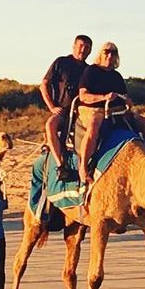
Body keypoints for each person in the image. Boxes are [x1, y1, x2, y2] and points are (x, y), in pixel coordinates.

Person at [77, 43, 145, 186]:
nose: (109, 56)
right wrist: (104, 97)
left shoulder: (116, 76)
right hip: (93, 109)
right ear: (101, 54)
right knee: (94, 126)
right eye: (106, 52)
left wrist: (127, 101)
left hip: (116, 111)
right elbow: (83, 96)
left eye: (113, 53)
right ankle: (83, 168)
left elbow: (124, 94)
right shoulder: (91, 71)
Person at [41, 35, 92, 180]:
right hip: (62, 110)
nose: (83, 49)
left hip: (81, 112)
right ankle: (60, 165)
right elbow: (44, 84)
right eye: (81, 45)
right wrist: (51, 106)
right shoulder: (61, 62)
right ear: (74, 46)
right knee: (51, 124)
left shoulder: (89, 70)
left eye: (87, 47)